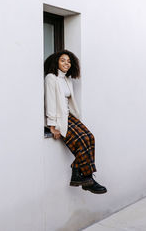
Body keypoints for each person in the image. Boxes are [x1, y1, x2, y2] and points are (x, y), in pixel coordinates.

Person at [44, 50, 107, 194]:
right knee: (82, 139)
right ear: (56, 62)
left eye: (69, 61)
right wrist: (52, 125)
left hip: (69, 116)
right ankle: (88, 179)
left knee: (90, 137)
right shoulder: (51, 78)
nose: (66, 63)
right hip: (60, 118)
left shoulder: (67, 79)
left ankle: (77, 172)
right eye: (63, 60)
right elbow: (50, 101)